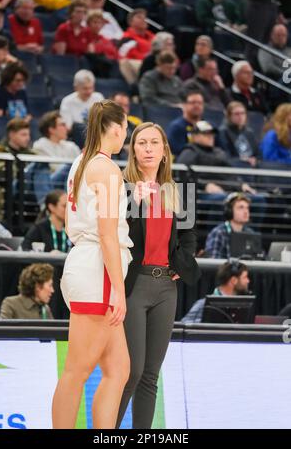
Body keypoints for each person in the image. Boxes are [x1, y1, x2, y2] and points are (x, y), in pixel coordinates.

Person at [52, 100, 133, 429]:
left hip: (84, 262)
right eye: (125, 128)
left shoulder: (81, 162)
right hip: (96, 268)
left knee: (119, 369)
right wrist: (119, 290)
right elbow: (108, 234)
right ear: (114, 129)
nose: (125, 135)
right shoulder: (107, 168)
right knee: (77, 370)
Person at [116, 122, 200, 429]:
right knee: (132, 371)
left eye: (154, 143)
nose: (148, 148)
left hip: (166, 285)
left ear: (165, 151)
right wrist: (135, 200)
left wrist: (180, 265)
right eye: (141, 143)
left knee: (151, 374)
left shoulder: (179, 192)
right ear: (133, 150)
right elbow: (115, 231)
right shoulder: (122, 188)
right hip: (134, 284)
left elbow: (190, 237)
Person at [182, 261, 250, 323]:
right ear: (233, 280)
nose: (248, 281)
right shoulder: (203, 305)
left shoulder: (240, 307)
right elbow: (184, 328)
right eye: (245, 277)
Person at [240, 0, 279, 64]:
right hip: (258, 6)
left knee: (267, 43)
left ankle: (263, 69)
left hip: (271, 6)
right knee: (254, 42)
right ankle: (250, 69)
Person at [205, 192, 254, 258]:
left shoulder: (250, 233)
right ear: (229, 211)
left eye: (247, 208)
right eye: (241, 207)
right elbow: (213, 263)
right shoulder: (219, 233)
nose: (246, 211)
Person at [217, 101, 260, 166]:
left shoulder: (249, 133)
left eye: (243, 113)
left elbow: (258, 154)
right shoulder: (223, 132)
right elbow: (226, 156)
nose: (240, 117)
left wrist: (255, 159)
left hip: (252, 168)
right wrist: (241, 160)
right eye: (236, 114)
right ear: (229, 116)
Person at [119, 8, 155, 84]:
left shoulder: (153, 37)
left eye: (145, 17)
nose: (143, 19)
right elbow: (124, 56)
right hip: (138, 67)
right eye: (139, 17)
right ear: (130, 22)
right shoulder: (127, 38)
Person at [167, 90, 205, 156]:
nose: (197, 105)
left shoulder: (207, 127)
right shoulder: (177, 127)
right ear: (184, 105)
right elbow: (178, 153)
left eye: (200, 103)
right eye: (193, 102)